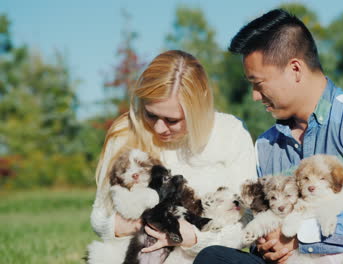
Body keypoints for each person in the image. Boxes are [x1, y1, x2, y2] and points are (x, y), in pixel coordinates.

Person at [194, 9, 343, 264]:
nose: (254, 95)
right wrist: (266, 243)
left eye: (258, 83)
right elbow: (264, 221)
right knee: (213, 258)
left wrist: (298, 237)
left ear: (295, 69)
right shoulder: (266, 144)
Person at [90, 50, 257, 262]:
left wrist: (194, 238)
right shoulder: (126, 133)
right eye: (150, 114)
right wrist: (142, 225)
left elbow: (247, 221)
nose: (159, 128)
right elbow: (100, 215)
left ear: (199, 109)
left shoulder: (230, 133)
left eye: (172, 120)